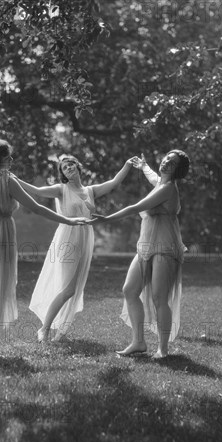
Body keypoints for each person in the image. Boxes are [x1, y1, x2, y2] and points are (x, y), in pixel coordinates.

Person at [0, 140, 88, 358]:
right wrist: (69, 220)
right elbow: (36, 207)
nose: (11, 160)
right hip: (2, 232)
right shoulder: (7, 180)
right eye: (8, 156)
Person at [17, 154, 138, 342]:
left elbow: (114, 183)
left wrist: (127, 164)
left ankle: (60, 331)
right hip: (67, 238)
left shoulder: (91, 190)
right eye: (65, 167)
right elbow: (37, 191)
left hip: (85, 238)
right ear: (63, 174)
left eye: (71, 164)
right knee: (68, 288)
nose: (69, 167)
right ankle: (44, 329)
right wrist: (15, 180)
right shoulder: (61, 189)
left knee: (75, 288)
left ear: (78, 166)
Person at [90, 150, 190, 359]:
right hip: (146, 245)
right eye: (166, 158)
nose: (166, 162)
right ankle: (138, 342)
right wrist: (144, 166)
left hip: (165, 247)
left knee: (159, 298)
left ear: (177, 170)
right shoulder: (160, 184)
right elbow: (155, 177)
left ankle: (163, 349)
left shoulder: (169, 189)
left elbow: (136, 207)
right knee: (129, 290)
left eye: (172, 163)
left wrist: (106, 219)